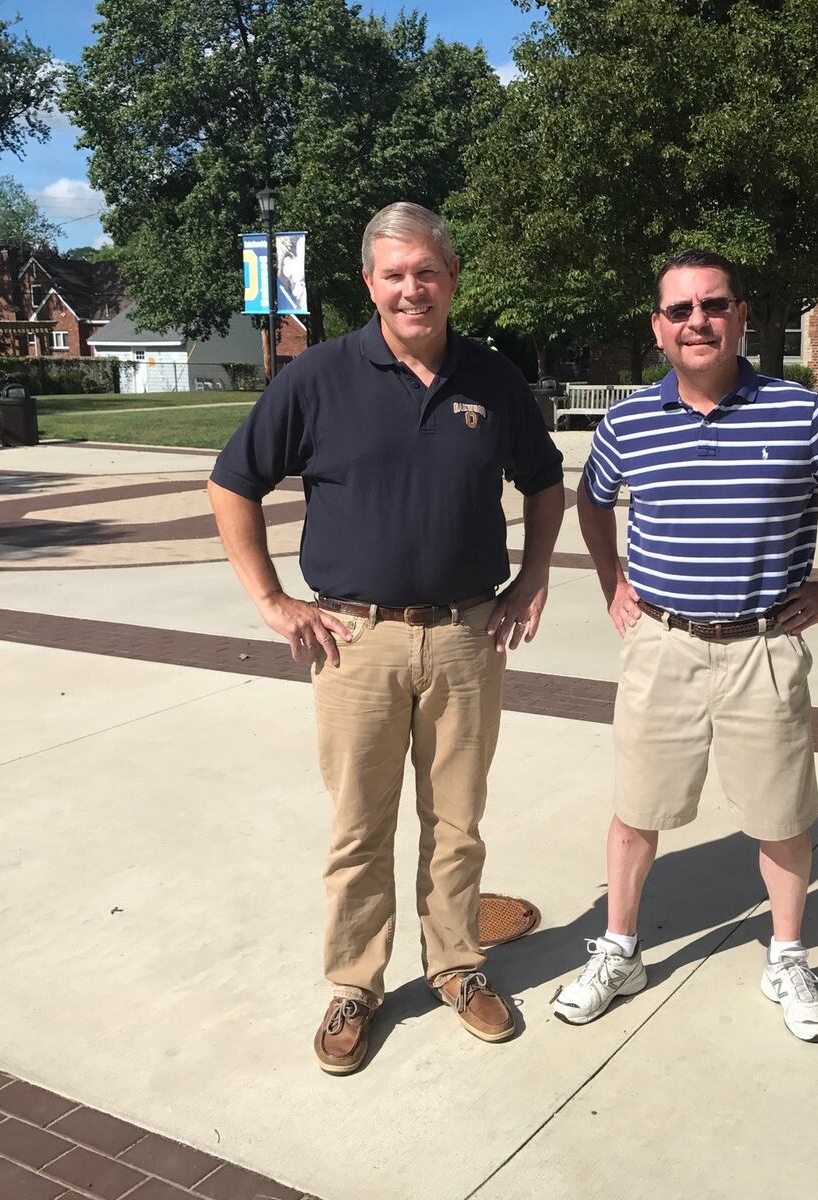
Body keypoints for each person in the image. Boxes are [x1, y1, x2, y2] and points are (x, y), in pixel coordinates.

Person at [208, 201, 565, 1074]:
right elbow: (233, 482)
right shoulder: (317, 377)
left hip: (465, 637)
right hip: (354, 642)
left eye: (428, 272)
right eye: (395, 274)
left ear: (452, 279)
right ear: (369, 284)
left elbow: (547, 482)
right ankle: (355, 988)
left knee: (456, 821)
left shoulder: (493, 379)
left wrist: (533, 576)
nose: (413, 289)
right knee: (359, 826)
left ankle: (456, 968)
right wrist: (271, 599)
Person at [554, 250, 818, 1041]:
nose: (697, 321)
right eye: (679, 310)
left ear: (742, 316)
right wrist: (613, 581)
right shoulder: (627, 422)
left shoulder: (800, 415)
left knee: (781, 816)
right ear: (658, 328)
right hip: (662, 645)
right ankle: (620, 949)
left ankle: (786, 956)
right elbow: (592, 498)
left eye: (713, 305)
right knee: (636, 813)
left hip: (763, 647)